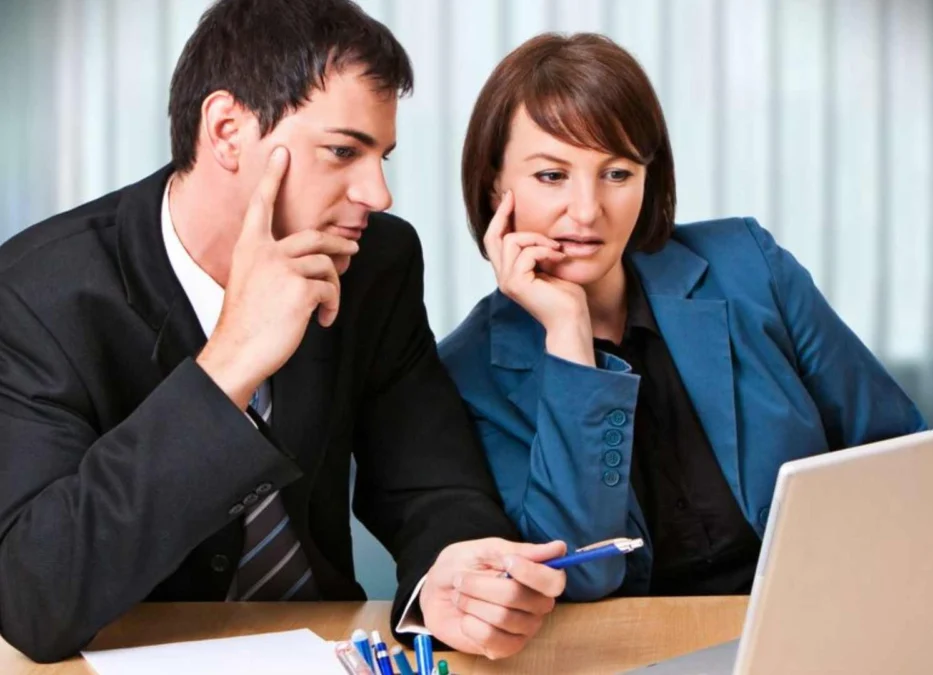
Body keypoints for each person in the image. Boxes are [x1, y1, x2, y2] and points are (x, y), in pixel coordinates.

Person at [0, 0, 566, 663]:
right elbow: (34, 597)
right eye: (341, 151)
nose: (378, 193)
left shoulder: (374, 263)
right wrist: (229, 364)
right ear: (227, 130)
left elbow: (432, 485)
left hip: (326, 650)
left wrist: (456, 573)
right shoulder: (36, 296)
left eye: (381, 155)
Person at [439, 33, 927, 603]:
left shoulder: (749, 265)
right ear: (495, 182)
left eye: (617, 173)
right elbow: (578, 574)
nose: (587, 210)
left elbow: (897, 451)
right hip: (628, 650)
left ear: (650, 178)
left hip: (812, 612)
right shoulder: (468, 372)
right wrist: (569, 335)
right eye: (551, 175)